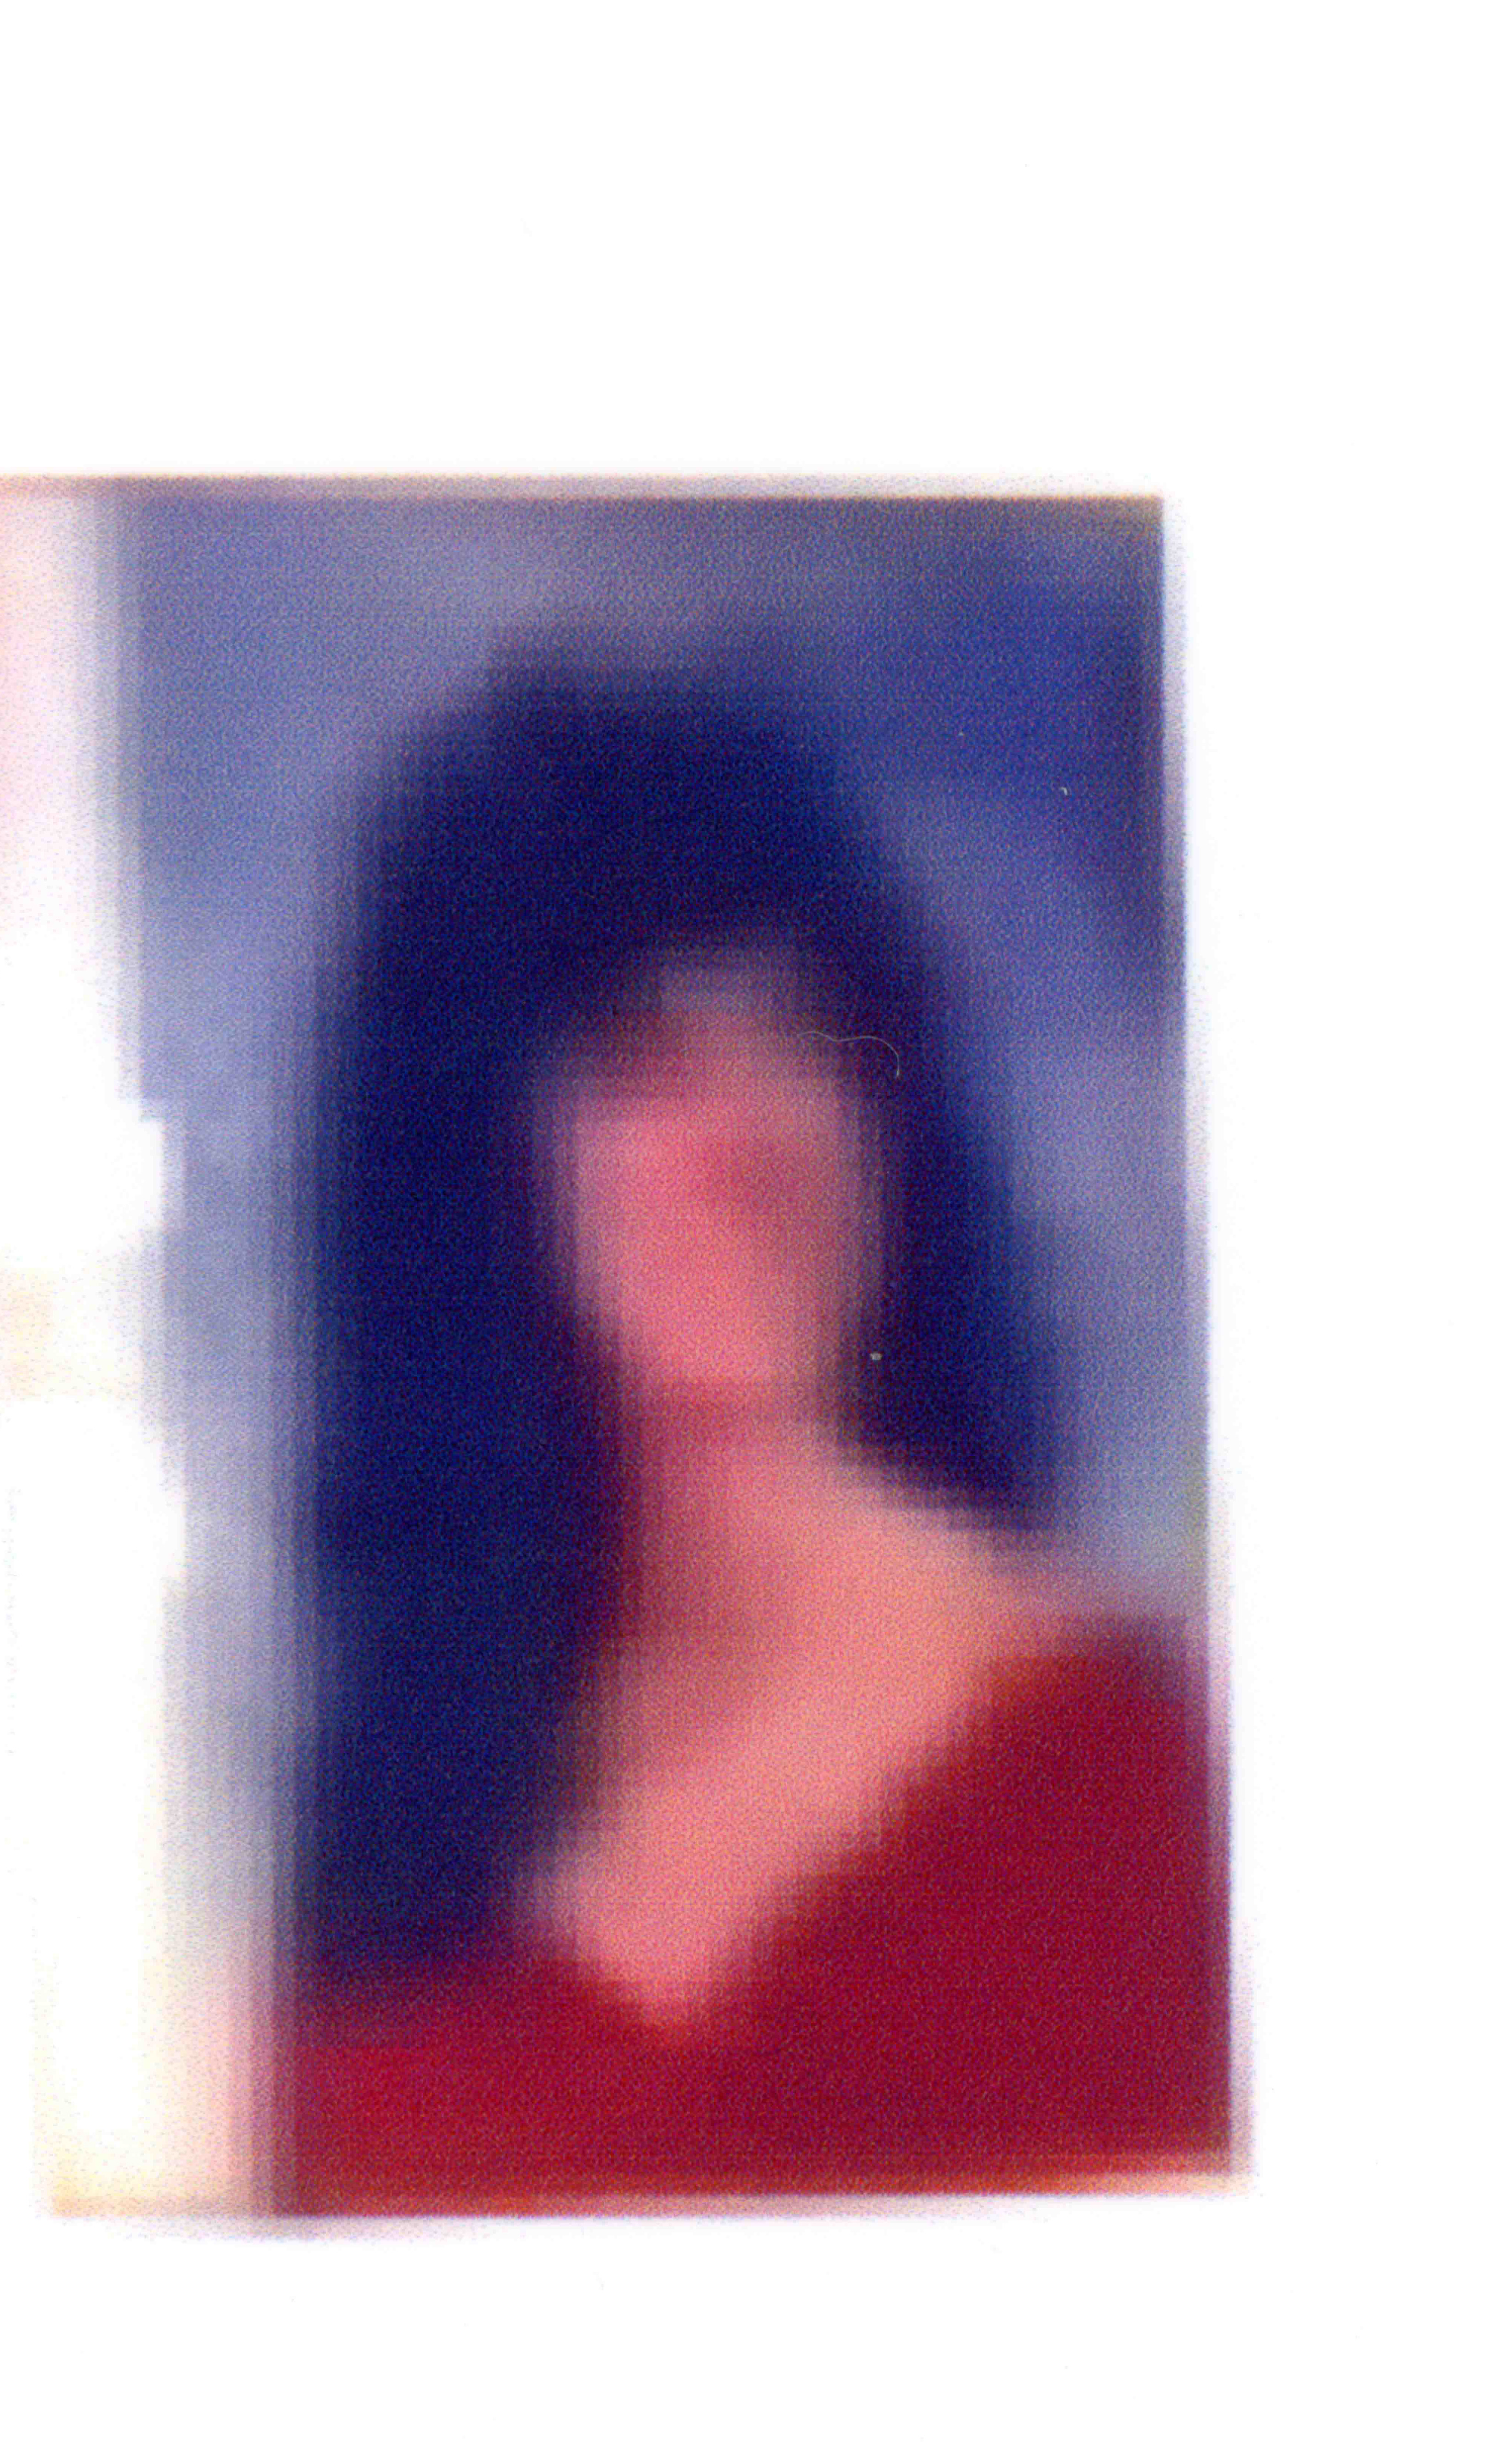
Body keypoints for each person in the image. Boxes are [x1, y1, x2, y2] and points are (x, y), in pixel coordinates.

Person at [284, 645, 1229, 2212]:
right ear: (465, 1158)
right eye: (642, 1056)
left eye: (805, 1034)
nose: (751, 1131)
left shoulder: (1132, 1776)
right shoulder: (390, 1863)